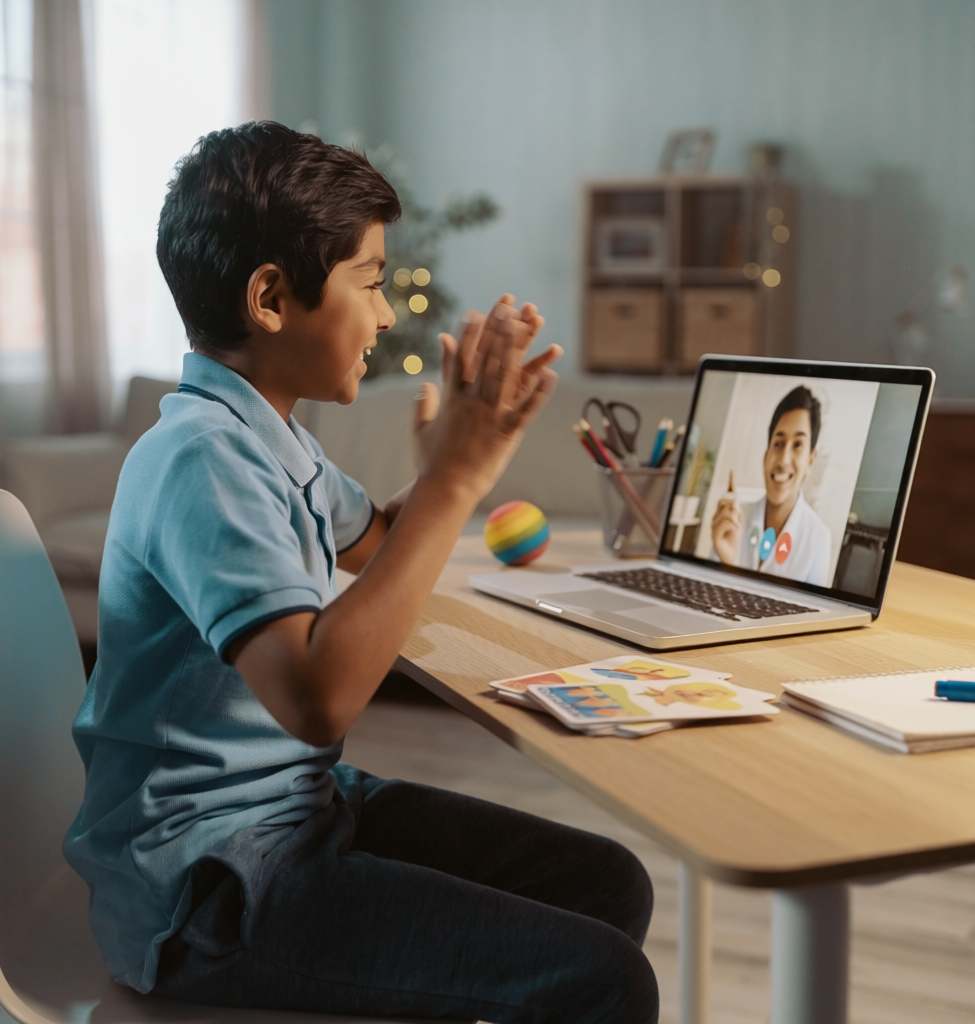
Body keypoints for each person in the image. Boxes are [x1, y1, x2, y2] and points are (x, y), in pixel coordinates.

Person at [63, 122, 659, 1024]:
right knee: (604, 979)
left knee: (605, 881)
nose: (386, 316)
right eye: (371, 284)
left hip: (299, 811)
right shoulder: (197, 458)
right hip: (210, 887)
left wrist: (466, 457)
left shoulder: (270, 440)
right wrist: (454, 480)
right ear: (270, 297)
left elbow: (380, 544)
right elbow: (317, 696)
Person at [710, 384, 832, 586]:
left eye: (798, 445)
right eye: (778, 443)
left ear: (811, 460)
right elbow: (707, 603)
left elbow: (810, 616)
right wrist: (727, 564)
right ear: (766, 455)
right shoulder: (733, 522)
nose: (783, 459)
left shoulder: (818, 539)